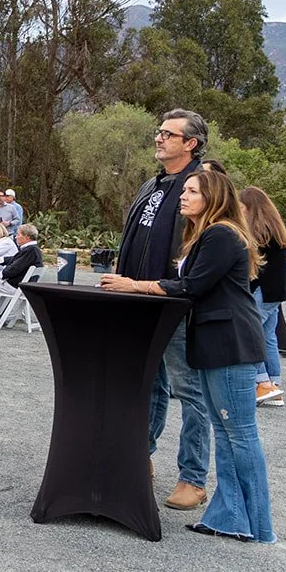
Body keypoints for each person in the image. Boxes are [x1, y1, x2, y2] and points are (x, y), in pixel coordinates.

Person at [101, 169, 276, 544]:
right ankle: (230, 517)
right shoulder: (205, 235)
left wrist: (135, 285)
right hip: (215, 346)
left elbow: (191, 287)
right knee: (227, 434)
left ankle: (258, 524)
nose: (183, 196)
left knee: (240, 434)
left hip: (230, 346)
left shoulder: (221, 234)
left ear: (212, 198)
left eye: (192, 191)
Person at [104, 108, 212, 512]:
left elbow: (204, 245)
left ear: (191, 144)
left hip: (178, 305)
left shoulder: (203, 185)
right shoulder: (153, 184)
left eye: (169, 134)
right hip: (138, 301)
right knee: (147, 385)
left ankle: (193, 478)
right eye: (159, 132)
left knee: (190, 391)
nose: (159, 138)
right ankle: (139, 457)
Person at [240, 186, 286, 406]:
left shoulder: (257, 231)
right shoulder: (276, 228)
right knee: (269, 338)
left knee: (250, 334)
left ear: (251, 207)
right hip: (275, 292)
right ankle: (274, 386)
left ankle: (263, 383)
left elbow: (254, 266)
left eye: (241, 208)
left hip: (261, 291)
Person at [0, 224, 42, 319]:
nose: (16, 237)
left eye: (18, 235)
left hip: (17, 286)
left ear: (26, 237)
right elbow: (13, 259)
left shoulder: (30, 250)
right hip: (25, 286)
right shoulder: (33, 249)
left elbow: (15, 268)